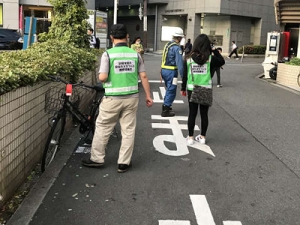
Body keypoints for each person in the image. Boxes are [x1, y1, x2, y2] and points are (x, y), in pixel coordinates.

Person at [81, 24, 153, 173]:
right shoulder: (135, 54)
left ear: (111, 38)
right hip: (131, 98)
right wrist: (148, 96)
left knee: (103, 127)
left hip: (112, 98)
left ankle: (97, 159)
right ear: (127, 37)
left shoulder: (108, 54)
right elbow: (144, 76)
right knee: (128, 130)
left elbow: (103, 77)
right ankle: (123, 163)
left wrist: (104, 79)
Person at [181, 34, 225, 145]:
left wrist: (183, 88)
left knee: (192, 113)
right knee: (204, 114)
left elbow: (185, 75)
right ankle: (202, 137)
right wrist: (214, 50)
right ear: (207, 46)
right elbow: (222, 61)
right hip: (206, 89)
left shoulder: (188, 58)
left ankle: (190, 138)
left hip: (192, 89)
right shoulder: (210, 59)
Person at [160, 28, 184, 117]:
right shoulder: (176, 48)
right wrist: (183, 76)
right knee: (171, 89)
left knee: (168, 88)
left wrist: (161, 71)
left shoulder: (167, 45)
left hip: (164, 70)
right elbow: (180, 63)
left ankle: (167, 105)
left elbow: (163, 58)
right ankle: (166, 109)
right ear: (180, 38)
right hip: (171, 72)